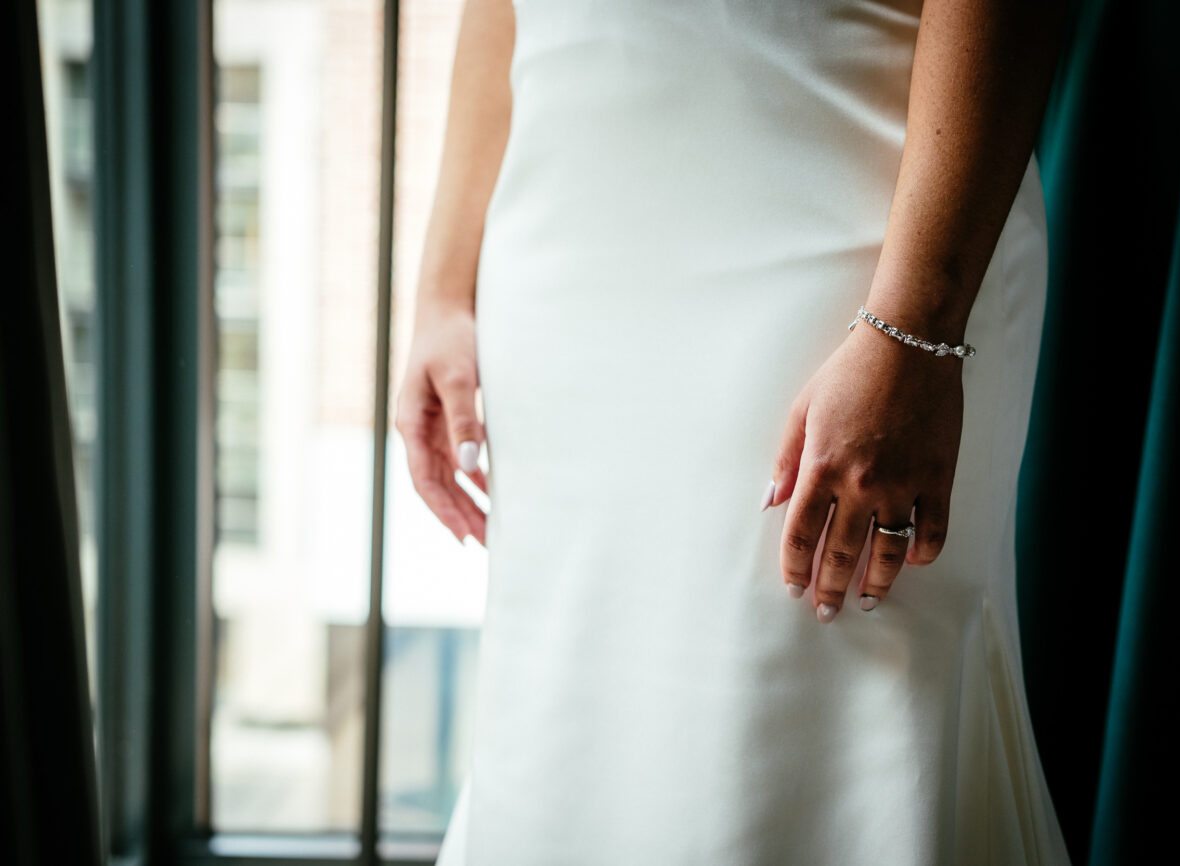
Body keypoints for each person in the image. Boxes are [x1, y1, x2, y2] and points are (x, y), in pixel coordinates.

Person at [394, 0, 1071, 863]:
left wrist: (914, 325)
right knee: (573, 716)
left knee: (827, 727)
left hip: (854, 259)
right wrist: (443, 290)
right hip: (562, 271)